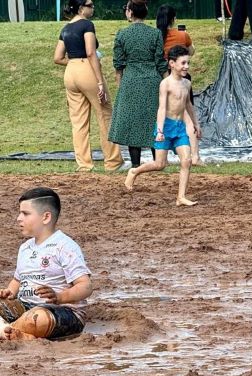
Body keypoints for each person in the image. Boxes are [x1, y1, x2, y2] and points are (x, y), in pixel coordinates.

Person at [0, 188, 92, 341]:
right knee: (29, 316)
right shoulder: (25, 248)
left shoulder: (64, 246)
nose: (18, 218)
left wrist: (59, 297)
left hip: (62, 312)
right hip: (25, 308)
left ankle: (7, 330)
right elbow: (18, 280)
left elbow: (86, 286)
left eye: (25, 213)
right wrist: (9, 292)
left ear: (46, 217)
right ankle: (15, 333)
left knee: (38, 319)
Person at [124, 45, 202, 207]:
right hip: (165, 127)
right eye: (183, 63)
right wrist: (159, 130)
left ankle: (181, 196)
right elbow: (162, 108)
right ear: (172, 64)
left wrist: (196, 124)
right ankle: (134, 171)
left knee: (186, 161)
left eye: (188, 63)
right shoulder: (165, 84)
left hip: (180, 128)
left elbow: (188, 106)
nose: (186, 66)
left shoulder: (187, 84)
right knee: (160, 164)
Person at [53, 0, 123, 173]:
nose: (93, 8)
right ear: (81, 8)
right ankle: (113, 162)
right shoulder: (87, 24)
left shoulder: (66, 28)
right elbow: (91, 52)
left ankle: (84, 164)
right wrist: (100, 81)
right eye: (90, 5)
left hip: (71, 72)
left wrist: (75, 62)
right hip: (87, 70)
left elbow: (58, 57)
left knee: (78, 121)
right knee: (105, 114)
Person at [108, 0, 167, 169]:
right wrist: (168, 82)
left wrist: (120, 83)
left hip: (131, 81)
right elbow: (160, 62)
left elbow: (118, 64)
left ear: (130, 12)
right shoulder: (155, 34)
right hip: (152, 81)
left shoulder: (122, 34)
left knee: (133, 123)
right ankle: (158, 162)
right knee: (154, 122)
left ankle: (135, 164)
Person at [156, 5, 202, 166]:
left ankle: (163, 157)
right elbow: (191, 51)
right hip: (179, 79)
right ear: (173, 19)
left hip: (162, 76)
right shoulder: (182, 35)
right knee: (187, 116)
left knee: (165, 114)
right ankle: (195, 155)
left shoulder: (157, 36)